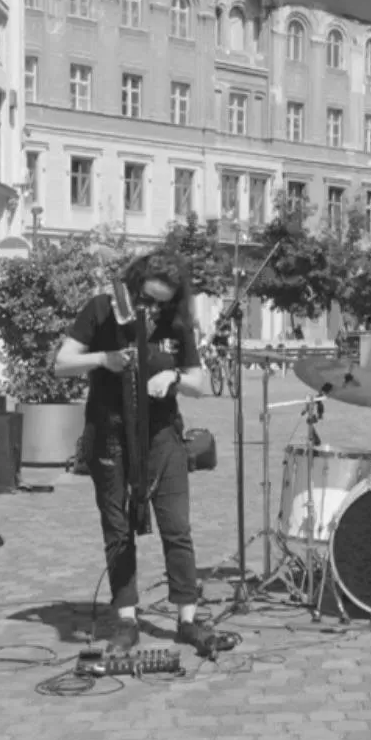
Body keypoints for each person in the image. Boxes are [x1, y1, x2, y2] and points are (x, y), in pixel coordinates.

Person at [54, 252, 219, 655]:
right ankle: (126, 618)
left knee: (176, 527)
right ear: (133, 288)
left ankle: (187, 619)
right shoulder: (100, 310)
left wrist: (174, 377)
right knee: (118, 529)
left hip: (162, 435)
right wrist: (103, 360)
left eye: (162, 302)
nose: (153, 309)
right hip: (109, 433)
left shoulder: (176, 323)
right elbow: (61, 364)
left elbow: (202, 381)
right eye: (147, 299)